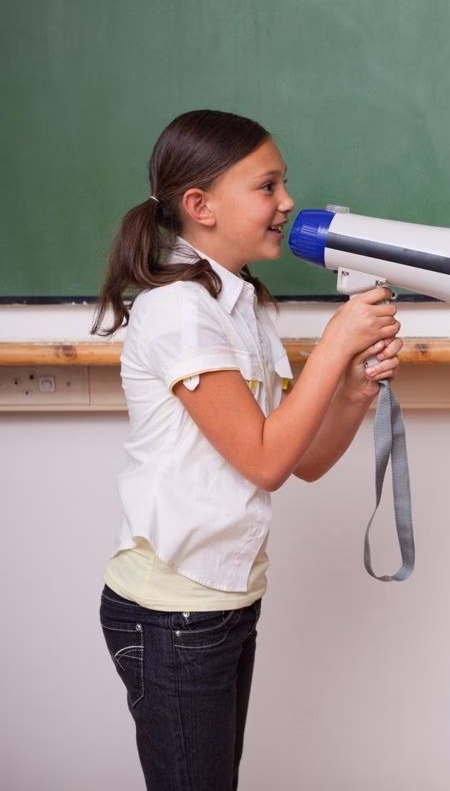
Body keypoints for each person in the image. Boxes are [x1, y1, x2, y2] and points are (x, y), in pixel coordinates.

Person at [92, 109, 402, 790]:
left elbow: (302, 461)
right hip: (173, 611)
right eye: (267, 186)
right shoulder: (177, 310)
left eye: (283, 183)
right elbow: (262, 459)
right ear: (199, 206)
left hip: (225, 600)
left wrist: (353, 390)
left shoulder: (243, 305)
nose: (287, 202)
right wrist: (334, 346)